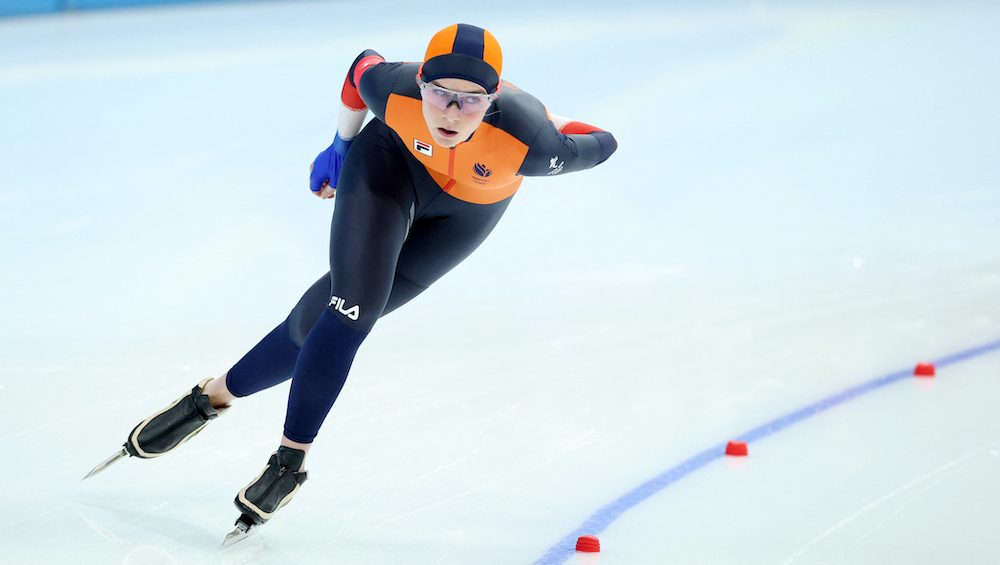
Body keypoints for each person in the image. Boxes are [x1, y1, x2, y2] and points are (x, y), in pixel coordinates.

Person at [95, 23, 617, 538]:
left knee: (317, 320)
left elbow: (603, 142)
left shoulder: (532, 142)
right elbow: (359, 64)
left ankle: (210, 398)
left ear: (495, 98)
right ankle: (289, 462)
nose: (451, 114)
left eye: (471, 101)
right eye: (438, 94)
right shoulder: (391, 88)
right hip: (389, 168)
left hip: (467, 214)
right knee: (350, 310)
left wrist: (551, 117)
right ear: (420, 85)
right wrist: (342, 144)